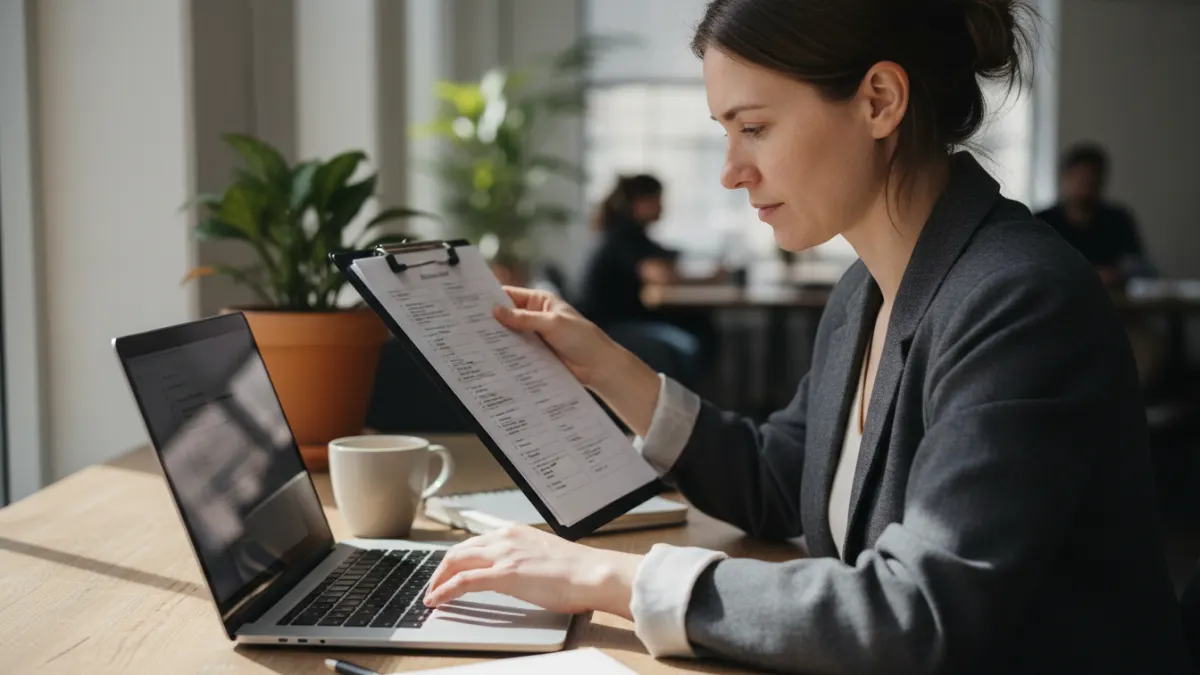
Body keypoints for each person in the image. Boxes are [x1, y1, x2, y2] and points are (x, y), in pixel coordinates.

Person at [422, 0, 1192, 672]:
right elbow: (781, 480)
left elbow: (917, 610)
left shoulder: (1018, 299)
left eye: (753, 126)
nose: (731, 171)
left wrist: (605, 579)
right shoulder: (866, 289)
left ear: (880, 100)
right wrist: (608, 365)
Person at [575, 174, 717, 388]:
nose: (662, 207)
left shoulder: (630, 234)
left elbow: (661, 262)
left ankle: (693, 403)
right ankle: (687, 403)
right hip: (611, 325)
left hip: (624, 318)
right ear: (639, 202)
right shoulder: (623, 235)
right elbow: (660, 274)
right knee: (695, 335)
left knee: (699, 323)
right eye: (657, 200)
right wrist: (709, 279)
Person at [1036, 143, 1155, 288]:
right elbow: (1033, 267)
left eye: (1092, 179)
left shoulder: (1118, 220)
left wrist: (1117, 273)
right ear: (1065, 178)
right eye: (1080, 178)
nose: (1085, 186)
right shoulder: (1042, 221)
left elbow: (1141, 268)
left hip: (1111, 302)